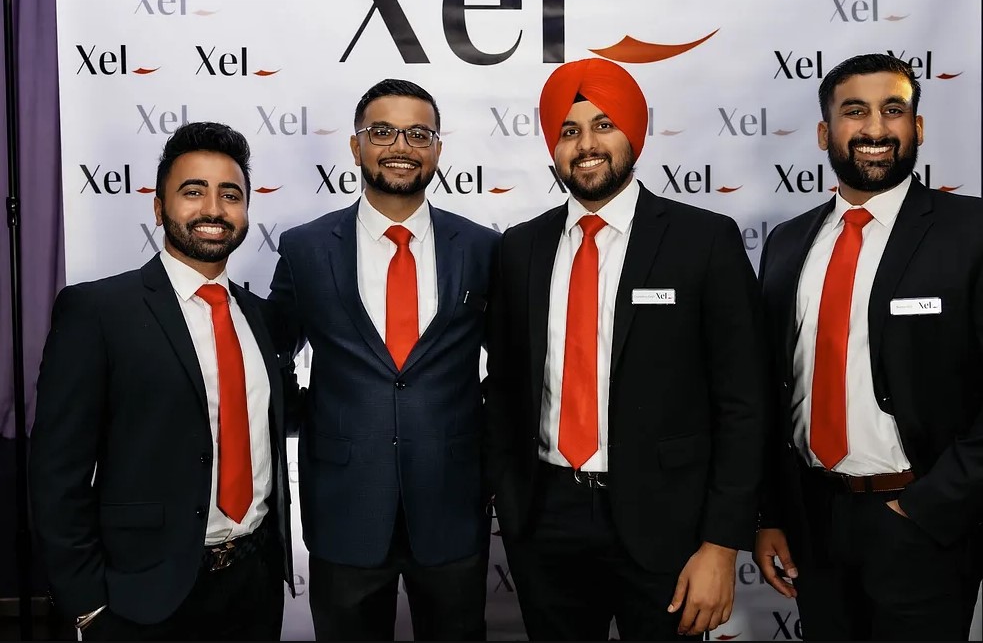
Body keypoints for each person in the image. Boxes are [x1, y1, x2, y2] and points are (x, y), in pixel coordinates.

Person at [483, 57, 768, 641]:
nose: (587, 144)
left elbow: (744, 400)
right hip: (547, 520)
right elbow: (507, 385)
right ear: (552, 147)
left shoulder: (703, 241)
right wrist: (512, 505)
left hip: (670, 524)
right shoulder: (520, 248)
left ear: (634, 134)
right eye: (569, 130)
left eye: (604, 125)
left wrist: (720, 544)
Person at [29, 121, 295, 640]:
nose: (214, 209)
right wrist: (87, 605)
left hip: (254, 587)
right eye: (193, 192)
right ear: (158, 206)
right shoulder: (98, 311)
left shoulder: (262, 317)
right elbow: (56, 474)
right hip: (142, 599)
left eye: (230, 195)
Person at [753, 52, 983, 641]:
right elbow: (770, 390)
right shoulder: (786, 243)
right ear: (826, 133)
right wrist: (772, 515)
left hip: (920, 521)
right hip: (814, 524)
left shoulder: (970, 232)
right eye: (855, 112)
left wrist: (928, 509)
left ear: (918, 128)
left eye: (893, 111)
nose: (875, 129)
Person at [268, 78, 500, 641]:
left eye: (419, 134)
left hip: (451, 506)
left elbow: (517, 364)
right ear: (355, 146)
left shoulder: (482, 247)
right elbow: (270, 358)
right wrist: (315, 414)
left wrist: (479, 422)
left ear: (438, 149)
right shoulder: (304, 247)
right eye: (383, 131)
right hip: (345, 509)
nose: (402, 146)